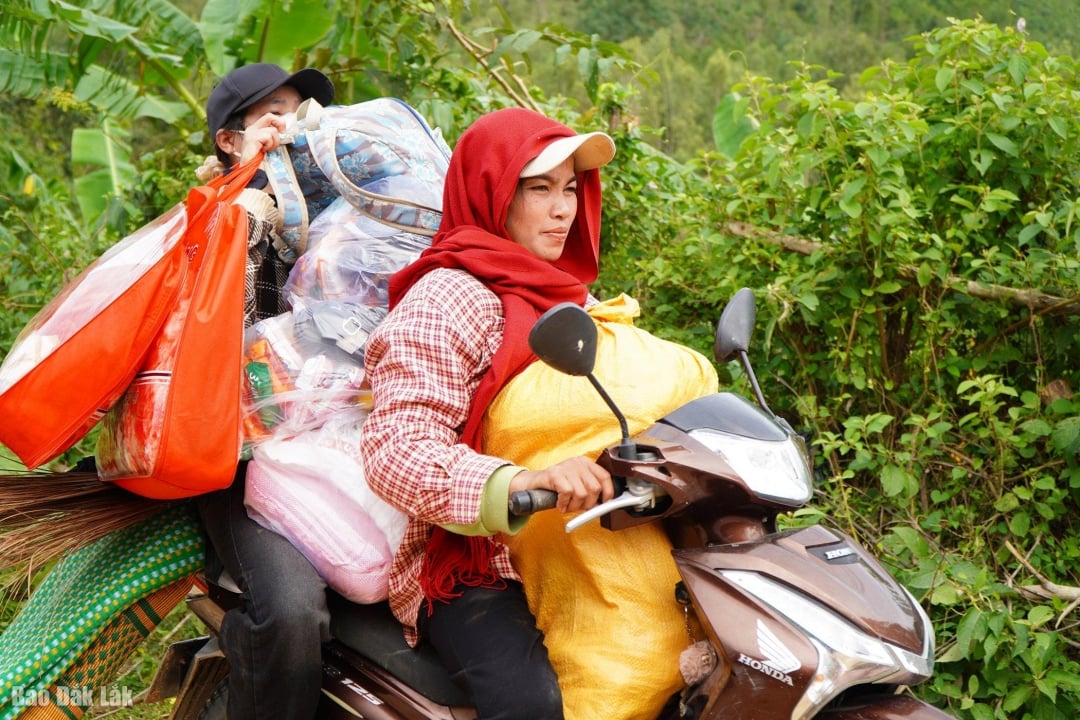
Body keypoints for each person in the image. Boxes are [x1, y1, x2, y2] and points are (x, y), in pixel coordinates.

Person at [359, 108, 620, 719]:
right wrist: (523, 480)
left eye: (570, 190)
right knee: (530, 702)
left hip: (585, 538)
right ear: (492, 193)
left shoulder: (577, 298)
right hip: (473, 562)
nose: (563, 210)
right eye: (539, 189)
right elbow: (397, 447)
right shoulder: (448, 297)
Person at [194, 62, 336, 720]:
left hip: (336, 449)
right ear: (230, 141)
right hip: (237, 462)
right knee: (289, 613)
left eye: (300, 112)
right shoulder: (212, 220)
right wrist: (252, 210)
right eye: (273, 114)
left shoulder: (341, 216)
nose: (292, 125)